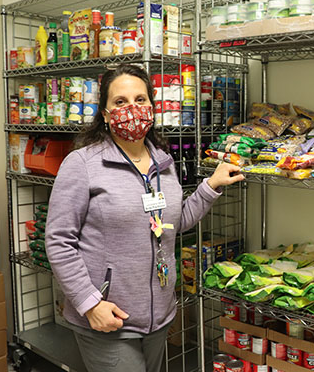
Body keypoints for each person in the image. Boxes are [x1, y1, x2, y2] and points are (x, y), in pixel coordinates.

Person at [45, 64, 243, 372]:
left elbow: (172, 223)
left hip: (159, 316)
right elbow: (58, 241)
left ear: (152, 106)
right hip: (108, 318)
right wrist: (90, 303)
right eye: (120, 102)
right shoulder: (83, 163)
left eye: (141, 100)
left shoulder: (162, 161)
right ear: (105, 113)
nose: (132, 109)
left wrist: (211, 184)